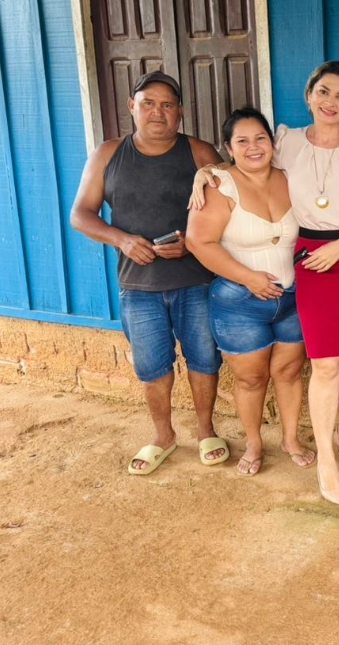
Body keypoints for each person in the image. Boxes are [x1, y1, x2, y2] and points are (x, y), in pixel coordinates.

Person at [192, 61, 339, 504]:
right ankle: (325, 458)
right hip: (313, 261)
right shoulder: (287, 141)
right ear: (309, 95)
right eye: (323, 92)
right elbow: (248, 161)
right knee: (326, 363)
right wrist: (208, 171)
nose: (331, 103)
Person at [70, 71, 229, 475]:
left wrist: (192, 241)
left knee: (203, 358)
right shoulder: (108, 154)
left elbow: (232, 208)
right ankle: (163, 435)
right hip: (138, 285)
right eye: (148, 103)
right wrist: (122, 240)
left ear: (180, 112)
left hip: (195, 281)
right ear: (132, 107)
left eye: (167, 105)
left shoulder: (198, 152)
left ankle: (206, 430)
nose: (158, 112)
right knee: (152, 366)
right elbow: (80, 215)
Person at [185, 108, 315, 476]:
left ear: (272, 143)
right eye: (242, 141)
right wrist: (248, 278)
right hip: (239, 302)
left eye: (260, 138)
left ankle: (290, 439)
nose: (253, 147)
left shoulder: (290, 177)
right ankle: (255, 443)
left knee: (289, 371)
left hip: (292, 297)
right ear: (228, 148)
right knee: (250, 378)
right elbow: (198, 241)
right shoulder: (218, 186)